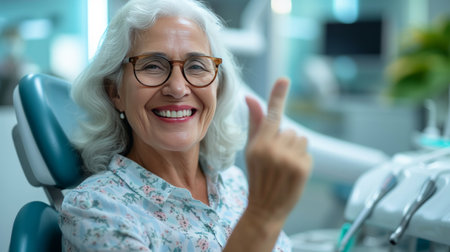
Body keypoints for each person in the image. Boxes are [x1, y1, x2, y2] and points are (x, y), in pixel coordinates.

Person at [59, 0, 312, 251]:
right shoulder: (95, 208)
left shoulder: (233, 182)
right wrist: (261, 218)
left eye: (196, 66)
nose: (178, 88)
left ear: (217, 87)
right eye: (152, 66)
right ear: (115, 92)